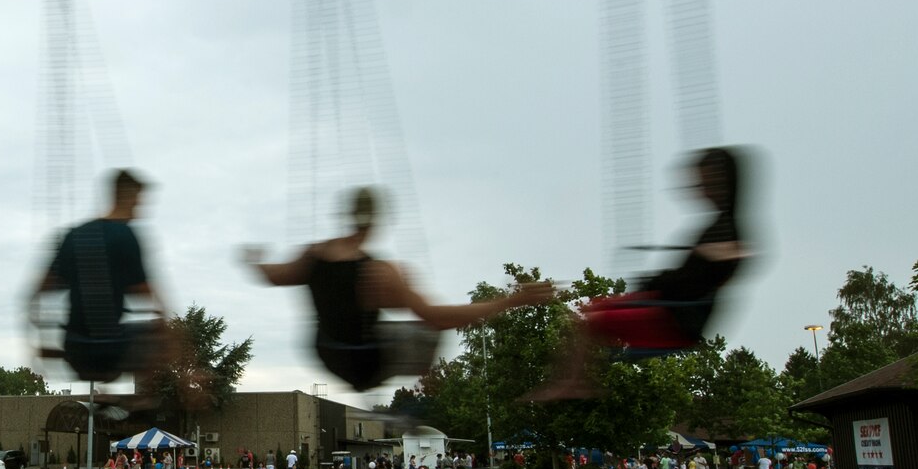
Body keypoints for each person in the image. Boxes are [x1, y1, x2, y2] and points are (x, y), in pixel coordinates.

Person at [241, 186, 552, 392]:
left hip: (325, 354)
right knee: (430, 328)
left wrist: (254, 261)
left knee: (388, 322)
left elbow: (273, 276)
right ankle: (429, 385)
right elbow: (438, 317)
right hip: (366, 363)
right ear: (375, 223)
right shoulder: (380, 271)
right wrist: (512, 301)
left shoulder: (313, 256)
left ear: (349, 217)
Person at [534, 146, 750, 397]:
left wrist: (719, 255)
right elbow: (693, 274)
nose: (701, 190)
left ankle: (575, 381)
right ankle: (577, 378)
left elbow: (708, 272)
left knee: (593, 320)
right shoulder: (718, 227)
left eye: (706, 182)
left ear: (725, 182)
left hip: (675, 318)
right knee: (592, 310)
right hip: (668, 304)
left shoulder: (729, 230)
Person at [31, 170, 171, 397]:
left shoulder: (73, 236)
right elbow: (150, 297)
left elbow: (36, 293)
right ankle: (144, 398)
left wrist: (40, 341)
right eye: (137, 204)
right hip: (112, 353)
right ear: (125, 197)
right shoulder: (126, 236)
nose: (138, 212)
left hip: (74, 352)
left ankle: (106, 392)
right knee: (163, 328)